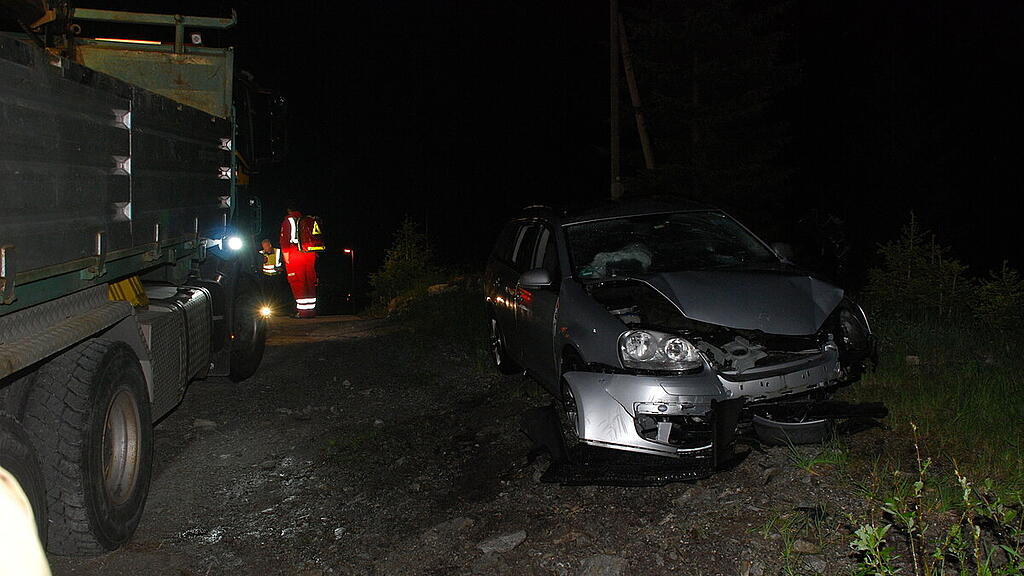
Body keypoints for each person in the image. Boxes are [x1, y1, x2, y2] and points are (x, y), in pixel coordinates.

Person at [279, 203, 318, 318]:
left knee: (297, 282)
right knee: (309, 282)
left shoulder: (289, 220)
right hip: (309, 254)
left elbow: (285, 241)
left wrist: (286, 258)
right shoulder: (308, 220)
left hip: (295, 254)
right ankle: (311, 311)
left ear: (289, 210)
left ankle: (303, 312)